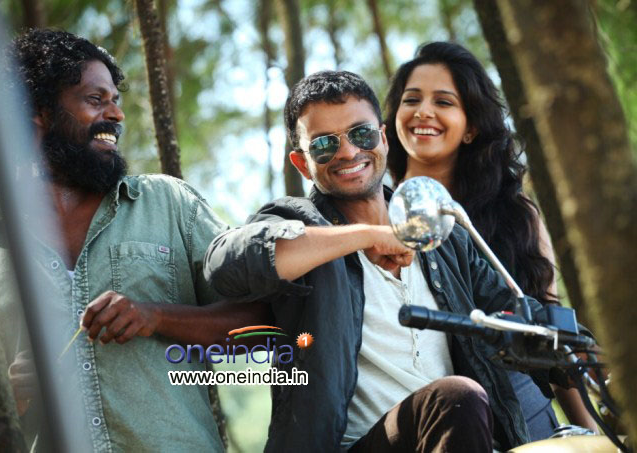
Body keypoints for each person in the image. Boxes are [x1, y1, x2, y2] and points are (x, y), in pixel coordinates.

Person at [204, 70, 557, 452]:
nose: (347, 152)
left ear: (383, 138)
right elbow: (224, 266)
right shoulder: (297, 223)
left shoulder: (444, 235)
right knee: (457, 397)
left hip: (456, 437)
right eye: (324, 144)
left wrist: (583, 348)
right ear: (302, 163)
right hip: (354, 446)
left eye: (361, 134)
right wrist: (369, 236)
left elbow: (514, 313)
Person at [0, 28, 265, 451]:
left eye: (115, 100)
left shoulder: (169, 203)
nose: (116, 114)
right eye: (95, 99)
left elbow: (262, 322)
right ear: (39, 112)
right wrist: (6, 396)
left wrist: (157, 317)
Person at [383, 41, 598, 438]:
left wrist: (590, 433)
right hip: (428, 420)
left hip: (520, 416)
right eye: (411, 100)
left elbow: (548, 328)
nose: (423, 111)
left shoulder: (514, 213)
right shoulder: (374, 214)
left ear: (471, 128)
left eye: (443, 102)